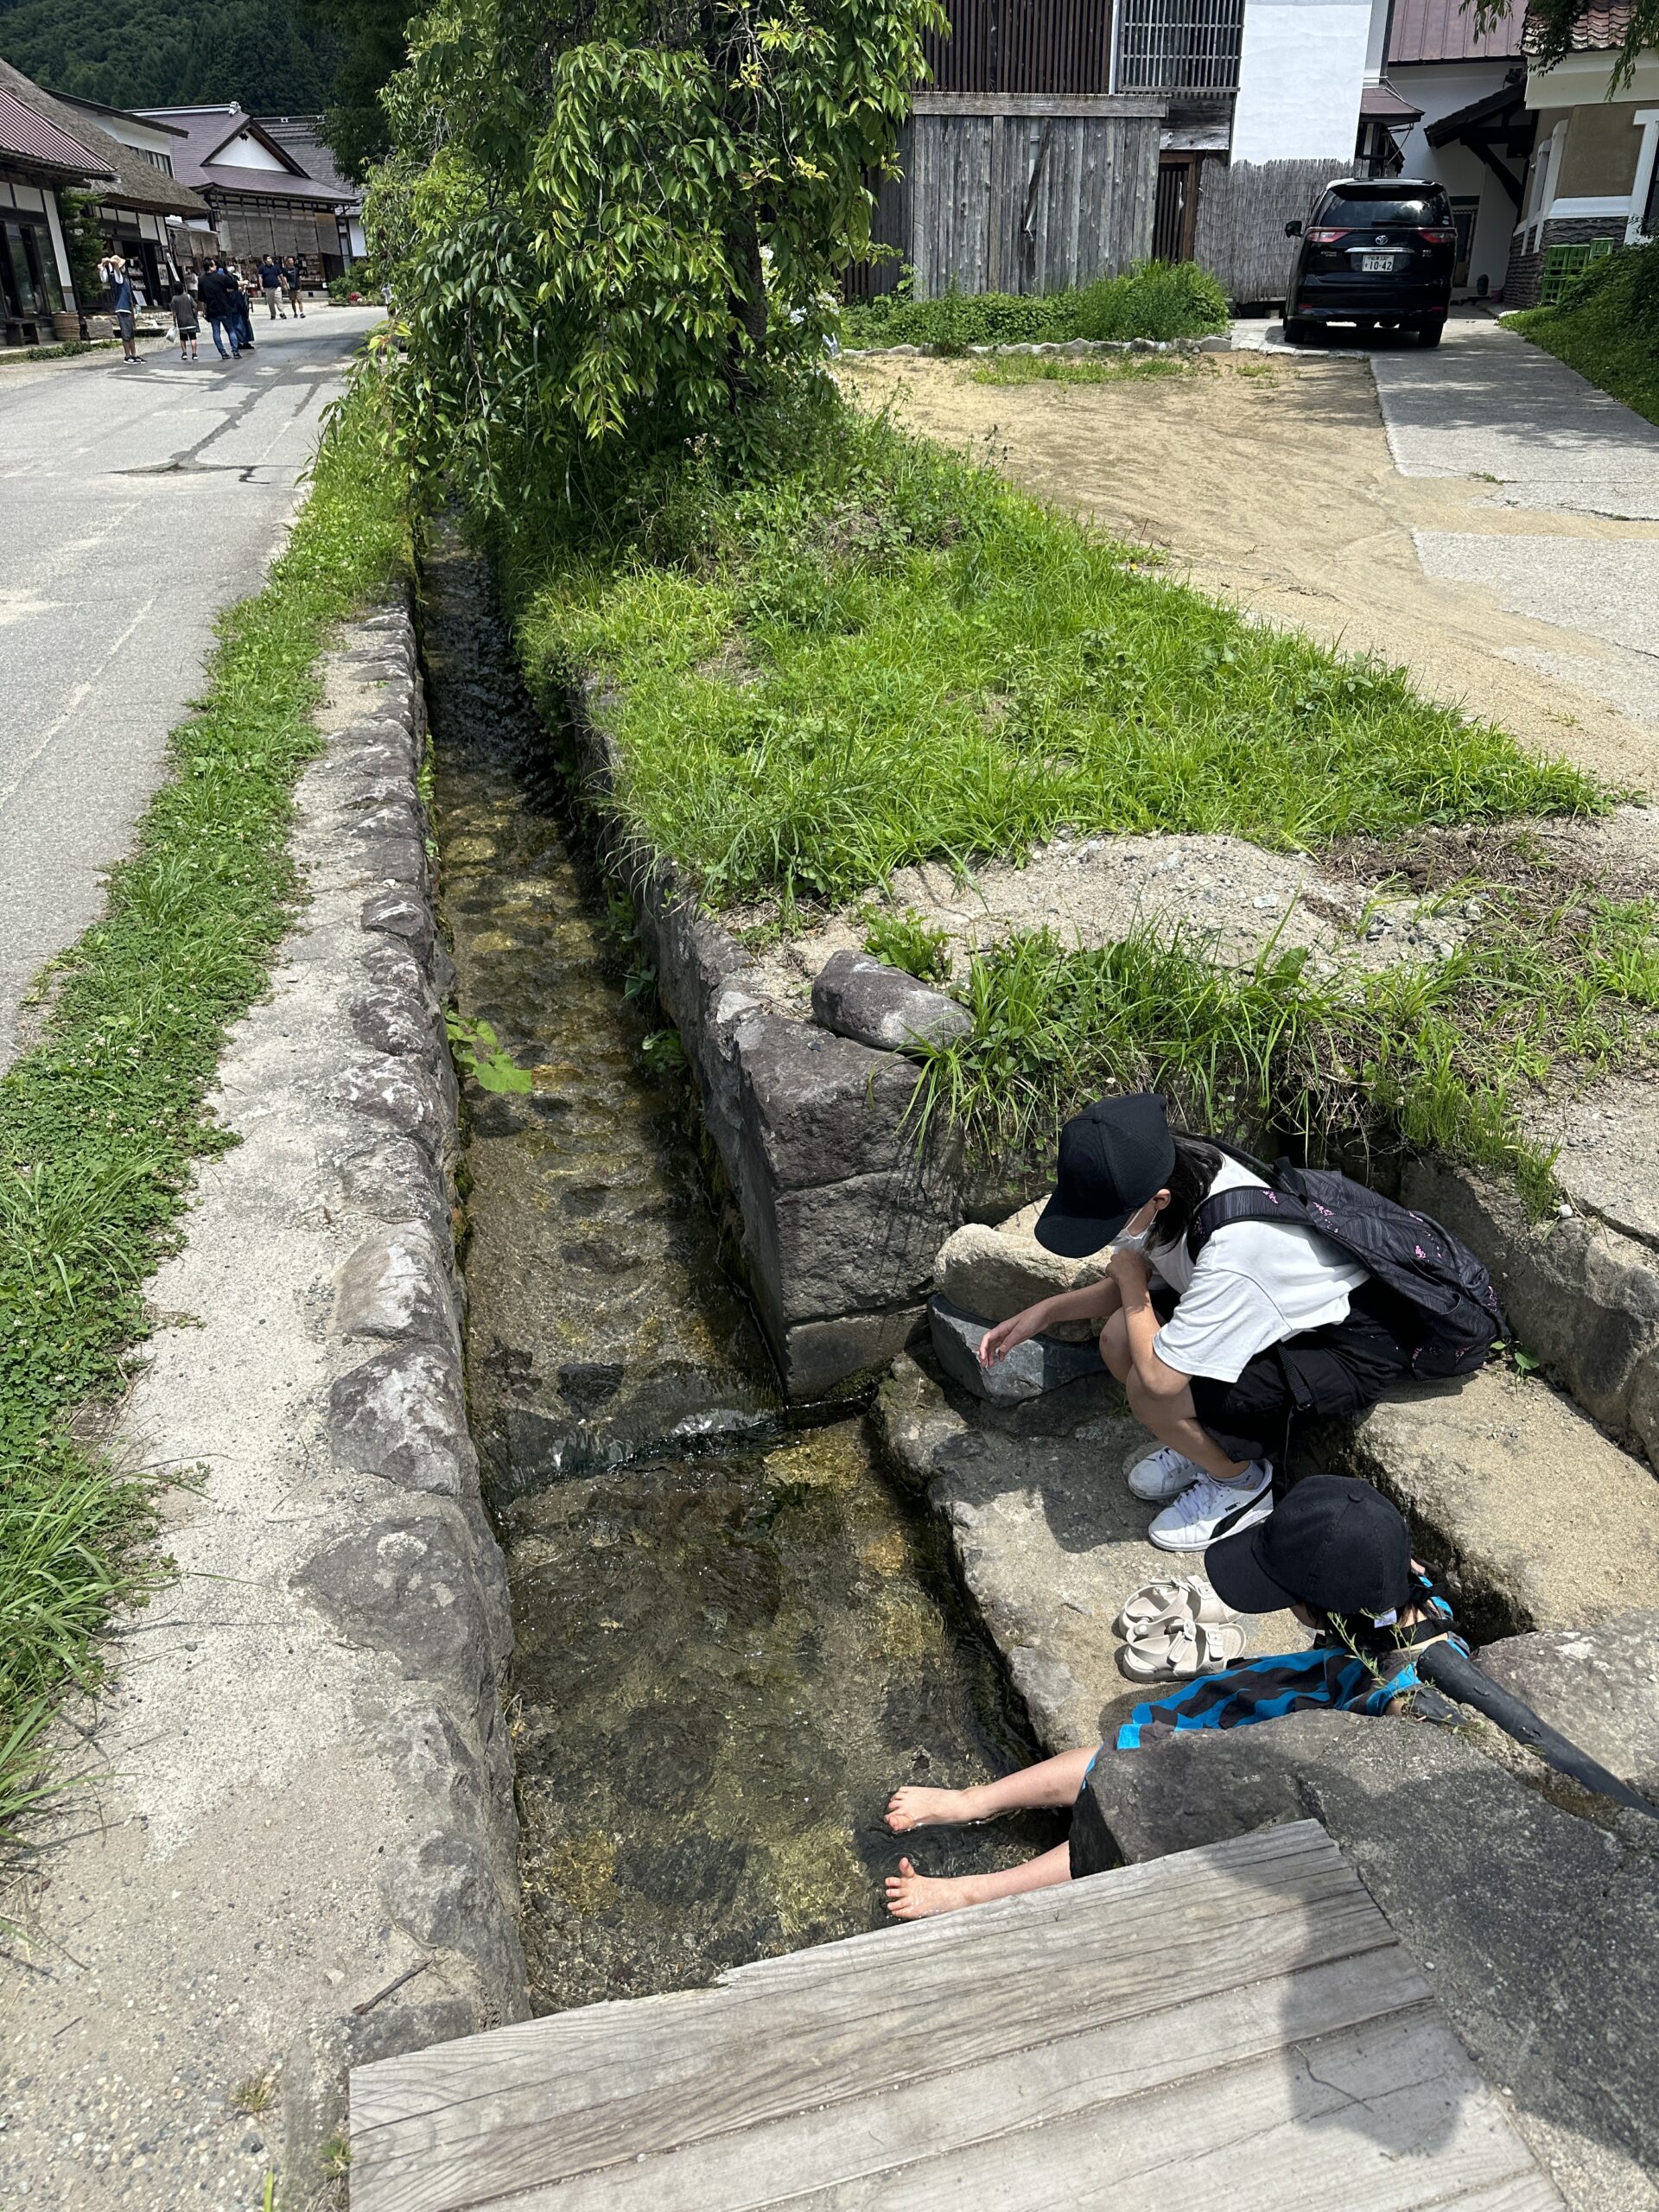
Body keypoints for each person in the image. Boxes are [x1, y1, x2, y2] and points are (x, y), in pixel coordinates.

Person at [883, 1475, 1462, 1919]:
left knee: (1132, 1800)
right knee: (1116, 1748)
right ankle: (972, 1801)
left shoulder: (1404, 1682)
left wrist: (1404, 1708)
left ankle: (971, 1893)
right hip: (1293, 1690)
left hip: (1278, 1745)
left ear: (1323, 1606)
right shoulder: (1404, 1588)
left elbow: (1413, 1708)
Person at [980, 1093, 1425, 1554]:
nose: (1105, 1237)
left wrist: (1131, 1282)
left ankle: (1241, 1486)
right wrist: (1047, 1311)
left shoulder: (1232, 1247)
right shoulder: (1168, 1173)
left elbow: (1159, 1377)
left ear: (1159, 1200)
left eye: (1109, 1222)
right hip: (1266, 1317)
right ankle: (1202, 1444)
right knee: (1117, 1337)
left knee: (1148, 1391)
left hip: (1338, 1343)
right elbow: (1138, 1280)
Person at [99, 253, 139, 365]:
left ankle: (134, 354)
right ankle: (127, 356)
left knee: (130, 334)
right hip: (122, 308)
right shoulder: (118, 277)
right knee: (126, 334)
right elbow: (115, 264)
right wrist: (107, 261)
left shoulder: (122, 278)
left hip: (127, 308)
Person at [198, 259, 241, 359]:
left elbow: (201, 297)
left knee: (216, 331)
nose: (216, 267)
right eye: (214, 265)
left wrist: (204, 310)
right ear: (210, 267)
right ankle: (235, 351)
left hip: (212, 309)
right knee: (230, 330)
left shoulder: (201, 280)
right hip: (224, 307)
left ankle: (223, 352)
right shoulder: (221, 277)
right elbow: (234, 285)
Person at [170, 283, 200, 362]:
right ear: (183, 288)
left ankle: (184, 353)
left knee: (183, 338)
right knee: (193, 338)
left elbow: (174, 312)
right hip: (191, 321)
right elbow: (196, 306)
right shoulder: (188, 296)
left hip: (181, 322)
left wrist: (174, 322)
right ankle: (194, 354)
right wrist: (195, 315)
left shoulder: (174, 299)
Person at [258, 254, 286, 320]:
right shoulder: (262, 268)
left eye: (270, 258)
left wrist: (284, 284)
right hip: (267, 288)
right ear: (265, 260)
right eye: (268, 259)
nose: (270, 260)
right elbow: (260, 277)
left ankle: (282, 313)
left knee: (279, 300)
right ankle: (273, 314)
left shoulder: (276, 267)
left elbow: (281, 276)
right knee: (270, 302)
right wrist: (261, 286)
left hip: (276, 287)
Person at [283, 254, 306, 318]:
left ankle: (302, 313)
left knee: (299, 300)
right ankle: (295, 313)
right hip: (290, 286)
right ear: (287, 262)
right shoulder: (286, 270)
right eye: (289, 261)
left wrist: (300, 282)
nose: (290, 262)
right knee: (293, 300)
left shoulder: (296, 269)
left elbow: (299, 276)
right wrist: (286, 284)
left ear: (293, 261)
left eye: (291, 260)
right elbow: (284, 277)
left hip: (297, 286)